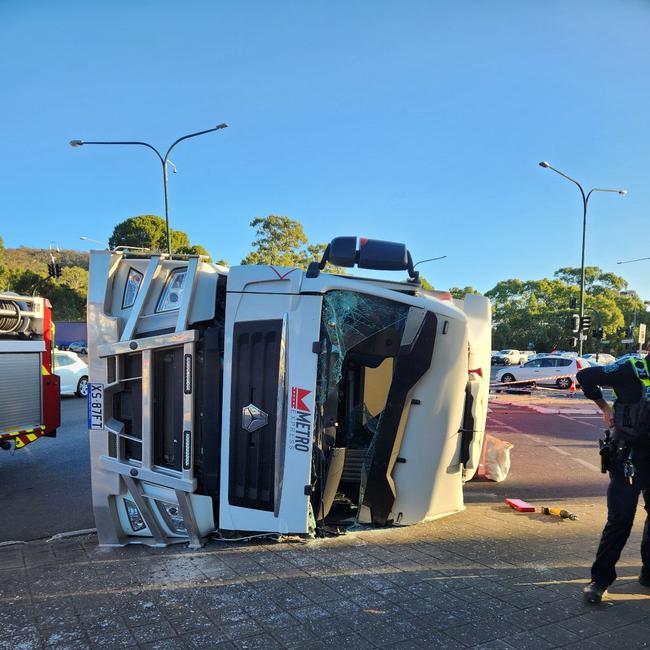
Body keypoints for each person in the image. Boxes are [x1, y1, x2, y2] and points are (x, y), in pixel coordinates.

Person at [576, 348, 650, 604]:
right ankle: (600, 580)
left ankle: (648, 573)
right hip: (628, 458)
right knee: (620, 521)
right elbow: (585, 376)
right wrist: (604, 407)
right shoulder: (631, 367)